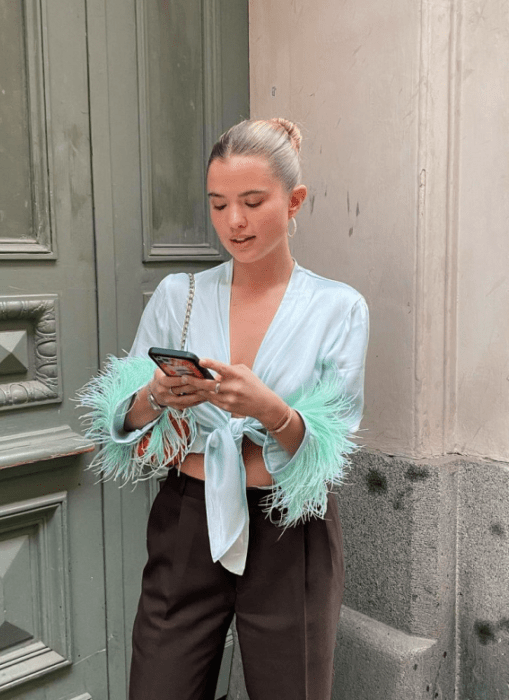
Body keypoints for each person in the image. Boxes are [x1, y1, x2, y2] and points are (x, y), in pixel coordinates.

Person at [79, 118, 369, 700]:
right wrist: (154, 397)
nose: (233, 222)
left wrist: (272, 411)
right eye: (218, 204)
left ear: (294, 202)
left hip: (291, 531)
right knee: (159, 686)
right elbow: (122, 424)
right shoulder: (179, 295)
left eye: (252, 201)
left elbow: (331, 448)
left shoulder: (337, 308)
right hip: (188, 518)